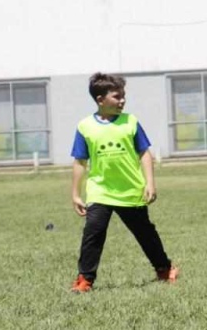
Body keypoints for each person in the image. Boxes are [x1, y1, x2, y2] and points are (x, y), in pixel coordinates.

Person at [69, 73, 178, 293]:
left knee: (145, 233)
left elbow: (144, 153)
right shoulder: (85, 126)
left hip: (130, 191)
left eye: (123, 96)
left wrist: (150, 183)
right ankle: (85, 280)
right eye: (116, 97)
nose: (122, 101)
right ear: (100, 100)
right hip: (100, 191)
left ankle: (165, 269)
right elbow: (80, 161)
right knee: (93, 232)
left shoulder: (131, 122)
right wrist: (75, 193)